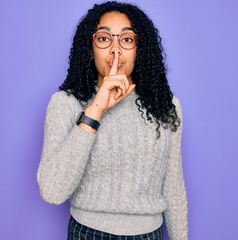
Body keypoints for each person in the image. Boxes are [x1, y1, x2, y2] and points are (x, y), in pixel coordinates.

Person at [37, 1, 188, 239]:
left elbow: (173, 186)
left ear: (140, 48)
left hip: (149, 235)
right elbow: (52, 191)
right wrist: (96, 109)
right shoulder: (65, 103)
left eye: (127, 39)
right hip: (88, 233)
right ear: (90, 48)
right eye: (104, 39)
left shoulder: (166, 106)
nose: (116, 50)